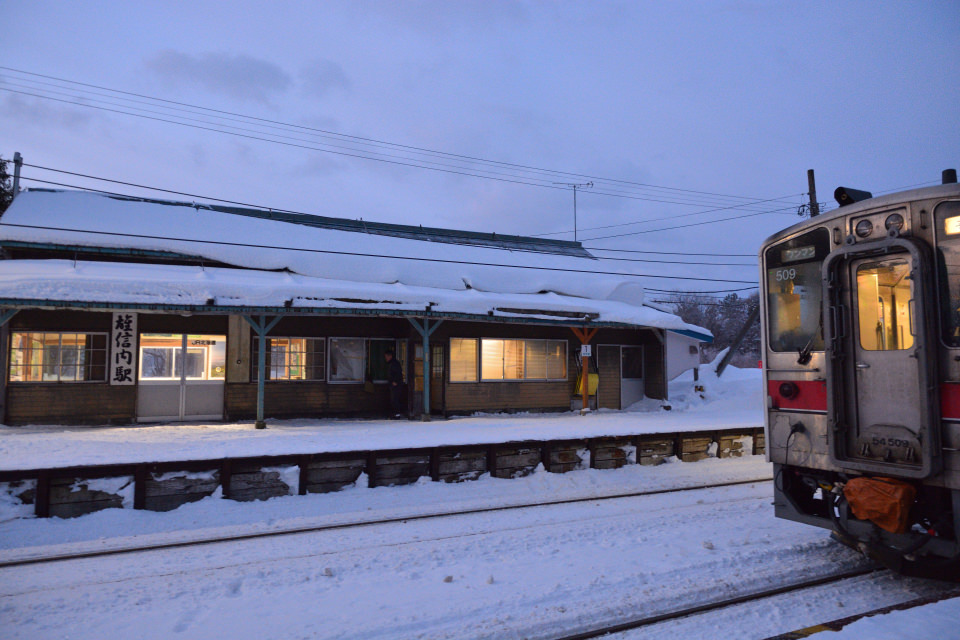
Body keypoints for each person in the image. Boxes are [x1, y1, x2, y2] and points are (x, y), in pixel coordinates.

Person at [384, 349, 404, 419]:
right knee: (393, 399)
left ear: (390, 356)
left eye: (386, 356)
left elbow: (398, 373)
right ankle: (394, 414)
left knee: (395, 399)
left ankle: (397, 414)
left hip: (396, 385)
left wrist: (395, 381)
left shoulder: (395, 363)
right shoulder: (392, 363)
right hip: (393, 384)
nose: (386, 358)